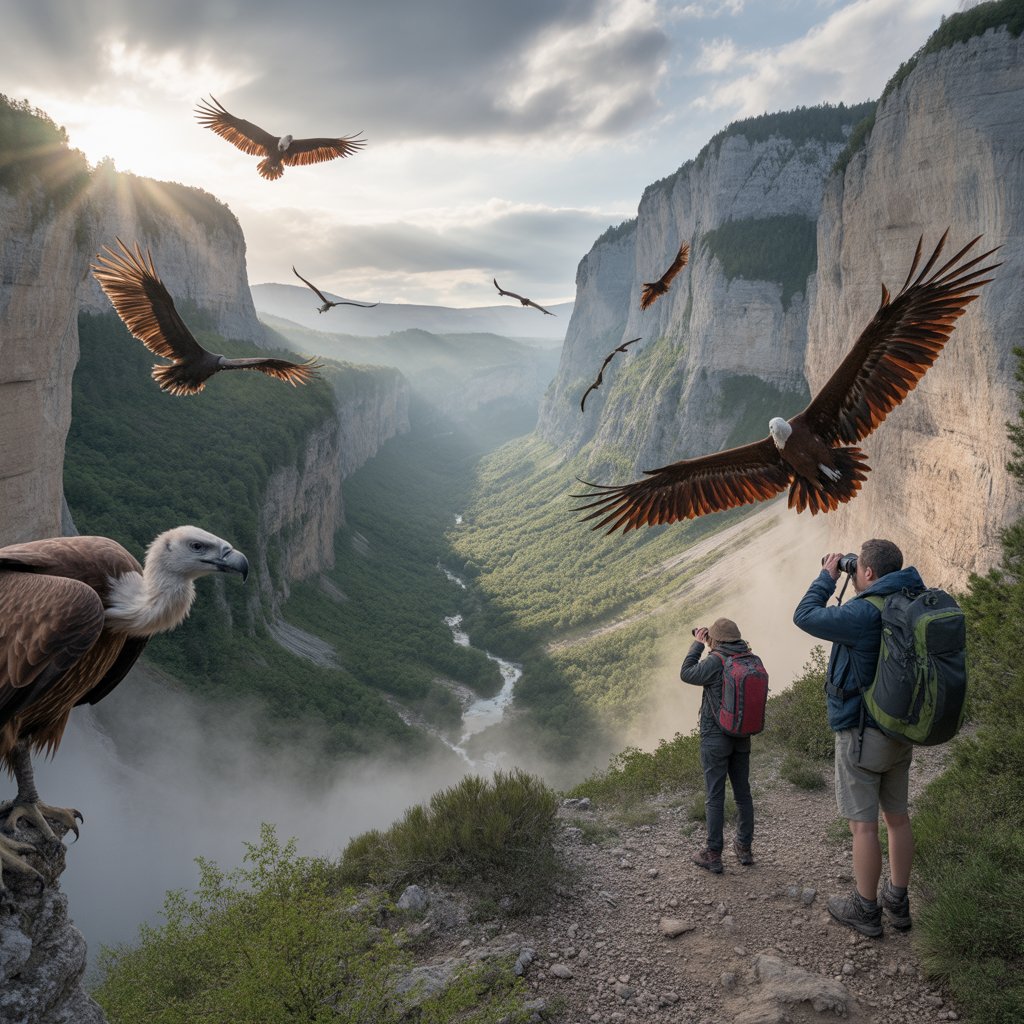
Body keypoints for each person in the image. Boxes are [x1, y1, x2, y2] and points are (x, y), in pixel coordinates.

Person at [793, 539, 920, 938]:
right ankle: (897, 902)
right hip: (901, 730)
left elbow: (805, 616)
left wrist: (827, 578)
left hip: (863, 732)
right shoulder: (913, 601)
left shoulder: (863, 612)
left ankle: (866, 910)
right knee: (897, 820)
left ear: (867, 573)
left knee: (863, 827)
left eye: (857, 568)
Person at [680, 617, 756, 874]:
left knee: (715, 795)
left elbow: (686, 673)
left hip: (715, 737)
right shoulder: (748, 657)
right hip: (742, 736)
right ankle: (744, 848)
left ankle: (713, 853)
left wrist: (697, 645)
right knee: (743, 793)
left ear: (716, 640)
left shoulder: (716, 661)